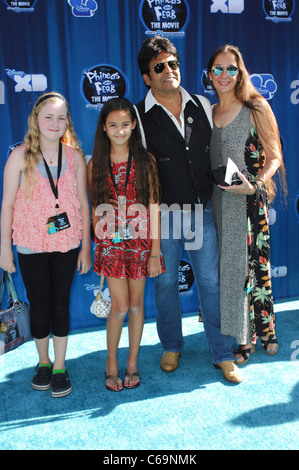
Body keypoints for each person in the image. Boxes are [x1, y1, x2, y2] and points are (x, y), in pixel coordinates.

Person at [135, 36, 242, 383]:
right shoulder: (138, 116)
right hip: (163, 216)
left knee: (211, 283)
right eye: (159, 67)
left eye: (173, 63)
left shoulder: (202, 103)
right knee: (165, 284)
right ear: (147, 77)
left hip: (203, 212)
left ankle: (223, 353)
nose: (169, 70)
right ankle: (171, 346)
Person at [0, 92, 92, 397]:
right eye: (49, 117)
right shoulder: (19, 155)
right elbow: (8, 205)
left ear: (68, 121)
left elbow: (82, 201)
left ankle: (60, 366)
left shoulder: (75, 156)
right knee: (40, 308)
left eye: (61, 117)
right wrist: (4, 248)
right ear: (36, 119)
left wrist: (85, 247)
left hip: (67, 243)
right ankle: (43, 362)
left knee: (60, 306)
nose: (55, 123)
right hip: (30, 245)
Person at [207, 44, 286, 364]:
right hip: (219, 203)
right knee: (230, 272)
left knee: (255, 269)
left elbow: (275, 155)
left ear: (240, 72)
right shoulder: (208, 112)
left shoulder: (256, 106)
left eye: (231, 68)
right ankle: (240, 335)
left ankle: (264, 330)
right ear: (209, 74)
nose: (224, 75)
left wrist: (254, 185)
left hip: (250, 202)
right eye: (218, 69)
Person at [88, 97, 164, 392]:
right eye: (113, 125)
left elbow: (154, 208)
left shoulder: (146, 161)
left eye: (125, 124)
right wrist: (104, 236)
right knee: (118, 307)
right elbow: (95, 208)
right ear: (104, 128)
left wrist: (155, 252)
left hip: (142, 246)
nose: (120, 130)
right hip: (112, 247)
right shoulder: (95, 163)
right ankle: (111, 364)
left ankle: (132, 363)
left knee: (135, 305)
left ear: (134, 125)